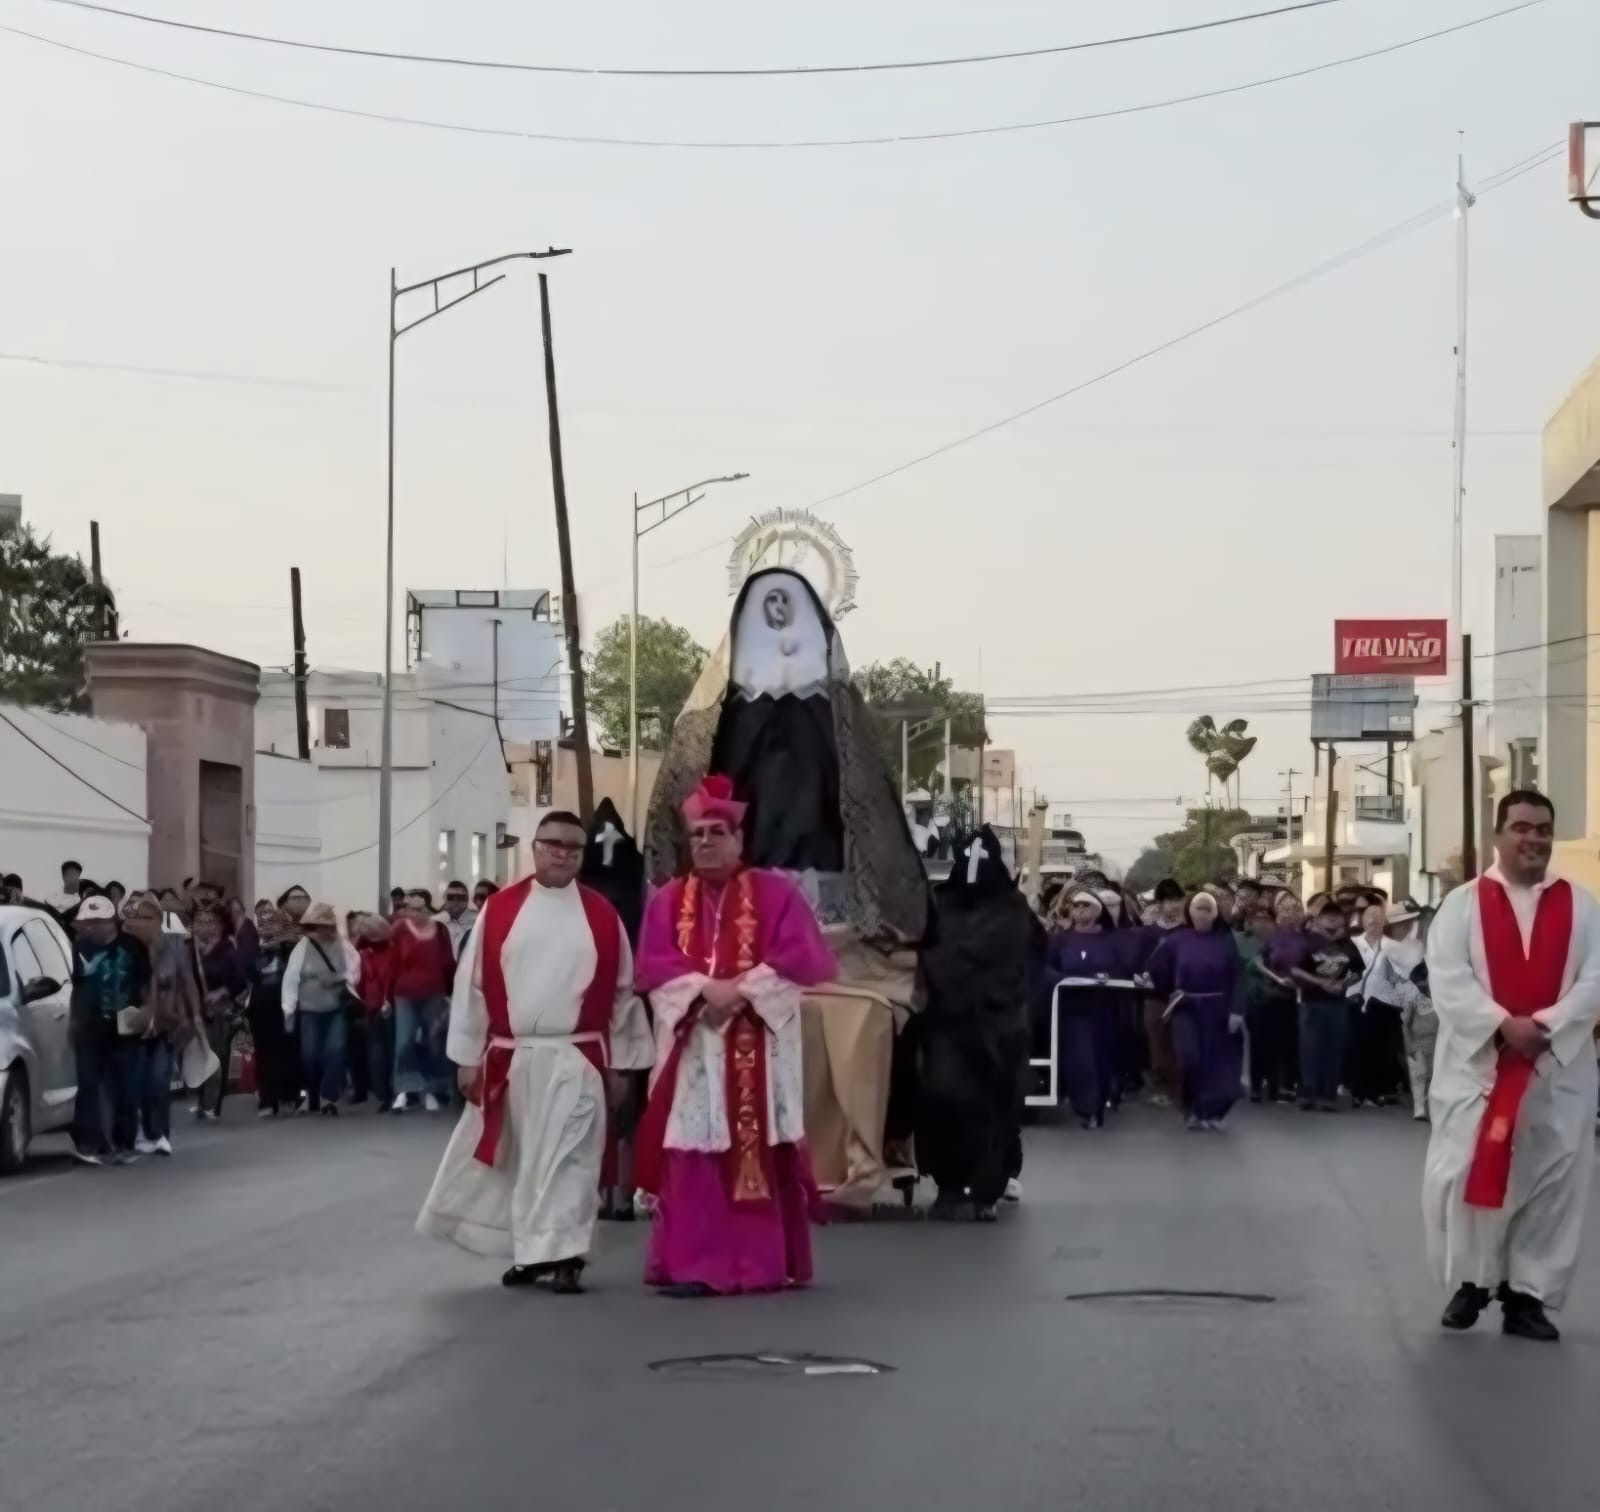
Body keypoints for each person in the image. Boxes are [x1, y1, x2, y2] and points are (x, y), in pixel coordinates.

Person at [418, 812, 651, 1293]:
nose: (562, 853)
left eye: (573, 847)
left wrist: (623, 1064)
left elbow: (623, 994)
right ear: (535, 847)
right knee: (523, 1162)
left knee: (571, 1158)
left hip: (578, 1058)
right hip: (513, 1058)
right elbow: (473, 987)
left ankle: (566, 1256)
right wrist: (467, 1057)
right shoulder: (501, 909)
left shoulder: (602, 915)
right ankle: (532, 1253)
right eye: (553, 844)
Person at [633, 776, 836, 1294]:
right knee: (695, 1149)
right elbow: (654, 966)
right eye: (698, 833)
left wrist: (740, 992)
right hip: (696, 1044)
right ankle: (697, 1263)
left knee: (755, 1145)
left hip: (758, 1046)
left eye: (717, 832)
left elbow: (798, 960)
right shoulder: (668, 900)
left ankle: (760, 1264)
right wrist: (705, 991)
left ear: (739, 840)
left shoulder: (776, 893)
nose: (705, 842)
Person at [1423, 792, 1600, 1343]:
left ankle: (1528, 1295)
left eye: (1543, 829)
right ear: (1499, 835)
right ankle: (1472, 1282)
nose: (1534, 838)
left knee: (1552, 1181)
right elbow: (1448, 977)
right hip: (1478, 1068)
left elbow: (1596, 980)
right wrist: (1502, 1024)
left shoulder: (1583, 906)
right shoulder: (1463, 904)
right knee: (1464, 1170)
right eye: (1522, 827)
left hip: (1557, 1067)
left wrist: (1543, 1026)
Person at [913, 827, 1043, 1215]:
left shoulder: (1012, 909)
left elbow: (1024, 956)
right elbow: (927, 950)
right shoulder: (940, 907)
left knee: (994, 1107)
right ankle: (950, 1185)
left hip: (998, 1027)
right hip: (947, 1026)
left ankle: (986, 1189)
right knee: (943, 1099)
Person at [1147, 891, 1243, 1131]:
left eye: (1206, 909)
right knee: (1189, 1059)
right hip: (1186, 1009)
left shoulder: (1226, 941)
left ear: (1215, 913)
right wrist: (1171, 991)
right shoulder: (1175, 940)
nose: (1202, 913)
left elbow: (1240, 977)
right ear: (1189, 912)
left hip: (1219, 1010)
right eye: (1197, 908)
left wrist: (1237, 1010)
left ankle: (1213, 1111)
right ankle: (1191, 1106)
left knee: (1218, 1064)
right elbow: (1157, 969)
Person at [68, 895, 152, 1165]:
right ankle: (89, 1144)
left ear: (110, 922)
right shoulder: (77, 950)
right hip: (89, 1030)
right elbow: (71, 987)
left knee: (126, 1086)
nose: (90, 928)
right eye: (86, 923)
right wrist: (72, 1020)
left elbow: (148, 986)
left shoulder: (133, 947)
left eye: (96, 922)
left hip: (126, 1031)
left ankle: (124, 1142)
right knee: (88, 1086)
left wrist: (148, 1013)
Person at [121, 892, 204, 1153]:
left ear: (159, 919)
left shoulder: (175, 944)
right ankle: (141, 1133)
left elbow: (187, 980)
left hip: (166, 1023)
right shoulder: (125, 949)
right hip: (133, 1025)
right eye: (139, 917)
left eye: (150, 917)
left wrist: (196, 1016)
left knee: (158, 1079)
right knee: (138, 1082)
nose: (143, 922)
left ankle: (159, 1135)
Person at [1048, 891, 1126, 1130]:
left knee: (1100, 1059)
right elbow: (1048, 968)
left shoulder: (1110, 940)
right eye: (1076, 906)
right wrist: (1062, 979)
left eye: (1086, 906)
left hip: (1102, 1010)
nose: (1081, 910)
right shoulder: (1061, 939)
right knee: (1079, 1060)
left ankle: (1098, 1106)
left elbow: (1122, 969)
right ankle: (1086, 1107)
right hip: (1072, 1010)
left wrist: (1106, 977)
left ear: (1097, 911)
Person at [283, 903, 354, 1116]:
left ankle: (329, 1098)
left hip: (335, 1008)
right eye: (320, 925)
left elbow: (354, 972)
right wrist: (288, 1010)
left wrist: (335, 979)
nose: (324, 930)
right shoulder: (303, 946)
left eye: (328, 925)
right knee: (310, 1055)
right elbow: (290, 979)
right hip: (309, 1010)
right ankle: (312, 1095)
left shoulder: (343, 946)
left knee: (335, 1052)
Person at [1292, 901, 1363, 1112]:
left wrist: (1343, 983)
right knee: (1309, 1049)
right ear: (1319, 919)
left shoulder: (1348, 945)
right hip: (1311, 1003)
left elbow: (1357, 971)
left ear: (1343, 920)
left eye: (1336, 916)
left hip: (1337, 1005)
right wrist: (1319, 981)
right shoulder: (1307, 942)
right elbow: (1295, 970)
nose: (1332, 919)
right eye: (1327, 916)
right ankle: (1309, 1092)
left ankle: (1328, 1094)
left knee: (1333, 1050)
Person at [389, 888, 457, 1112]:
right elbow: (393, 964)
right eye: (410, 909)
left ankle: (431, 1089)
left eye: (419, 909)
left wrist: (450, 992)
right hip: (405, 994)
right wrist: (386, 996)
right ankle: (405, 1090)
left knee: (433, 1042)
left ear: (428, 909)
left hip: (435, 993)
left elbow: (447, 963)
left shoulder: (439, 930)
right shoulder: (400, 931)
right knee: (404, 1042)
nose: (414, 913)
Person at [1132, 878, 1187, 1105]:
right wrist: (1140, 981)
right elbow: (1137, 964)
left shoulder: (1187, 932)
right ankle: (1171, 1087)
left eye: (1178, 900)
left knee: (1182, 1046)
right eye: (1169, 901)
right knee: (1157, 1052)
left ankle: (1182, 1090)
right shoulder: (1148, 933)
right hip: (1153, 998)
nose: (1174, 905)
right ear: (1160, 903)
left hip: (1182, 997)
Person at [1348, 901, 1407, 1108]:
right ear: (1363, 923)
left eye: (1378, 921)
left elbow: (1402, 974)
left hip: (1384, 1004)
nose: (1374, 925)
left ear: (1384, 923)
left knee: (1382, 1049)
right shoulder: (1354, 943)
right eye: (1370, 921)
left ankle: (1375, 1091)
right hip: (1358, 1002)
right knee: (1358, 1047)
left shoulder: (1392, 947)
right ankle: (1358, 1092)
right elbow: (1347, 970)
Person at [191, 903, 246, 1122]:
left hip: (220, 1009)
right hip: (196, 1009)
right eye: (200, 921)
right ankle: (203, 1101)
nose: (205, 926)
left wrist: (222, 992)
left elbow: (240, 980)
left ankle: (212, 1104)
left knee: (215, 1054)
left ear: (220, 925)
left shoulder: (227, 949)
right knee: (198, 1056)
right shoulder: (191, 950)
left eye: (210, 921)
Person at [246, 903, 300, 1116]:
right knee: (263, 1053)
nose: (267, 927)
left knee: (287, 1052)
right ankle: (268, 1099)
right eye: (264, 923)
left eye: (272, 923)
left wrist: (282, 945)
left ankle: (288, 1095)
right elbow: (250, 973)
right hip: (260, 1007)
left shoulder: (291, 947)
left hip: (283, 1006)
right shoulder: (256, 949)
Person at [352, 912, 397, 1109]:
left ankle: (384, 1094)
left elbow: (360, 984)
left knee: (377, 1053)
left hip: (373, 1007)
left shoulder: (365, 955)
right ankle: (391, 1093)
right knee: (388, 1051)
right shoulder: (394, 952)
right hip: (386, 1007)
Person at [440, 880, 477, 958]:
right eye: (451, 897)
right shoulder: (442, 922)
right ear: (445, 900)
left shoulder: (477, 921)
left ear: (467, 900)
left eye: (460, 897)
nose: (455, 901)